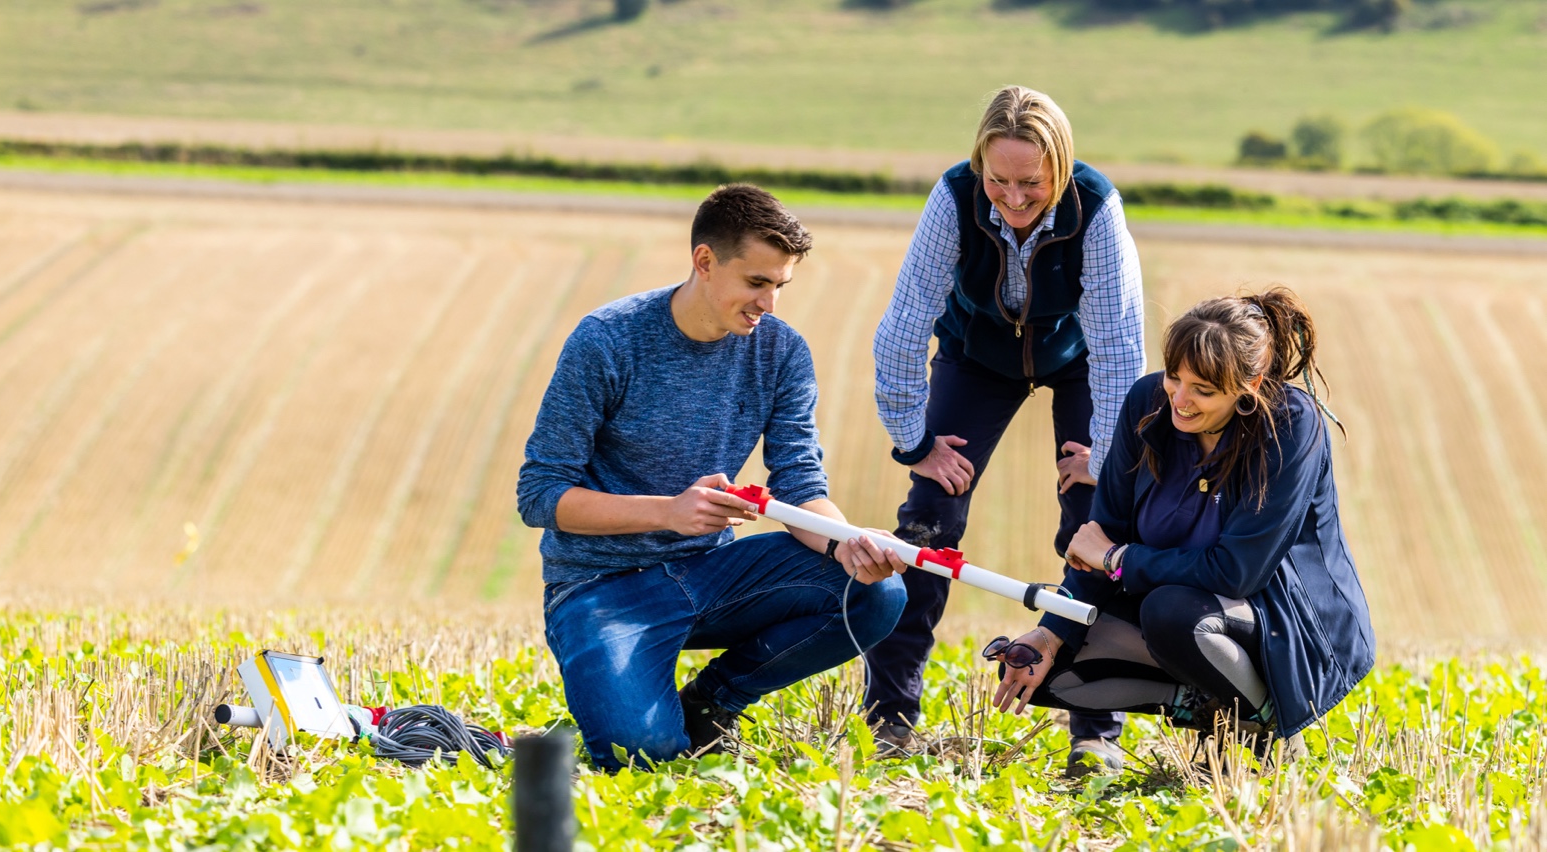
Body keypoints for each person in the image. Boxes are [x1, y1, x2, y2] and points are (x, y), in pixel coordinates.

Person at [516, 184, 909, 773]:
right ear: (705, 261)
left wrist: (848, 543)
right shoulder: (608, 340)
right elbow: (540, 494)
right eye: (756, 283)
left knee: (874, 593)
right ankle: (640, 712)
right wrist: (667, 512)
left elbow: (800, 483)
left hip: (709, 575)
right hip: (599, 589)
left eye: (780, 286)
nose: (769, 304)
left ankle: (714, 702)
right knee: (642, 756)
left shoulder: (781, 353)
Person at [866, 85, 1145, 774]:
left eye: (1032, 183)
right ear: (979, 166)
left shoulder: (1096, 208)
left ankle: (1094, 734)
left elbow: (1118, 346)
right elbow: (904, 324)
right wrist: (915, 441)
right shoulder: (954, 198)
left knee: (1093, 526)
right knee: (929, 520)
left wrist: (1107, 458)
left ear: (1061, 169)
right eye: (999, 180)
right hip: (976, 355)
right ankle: (891, 717)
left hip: (1077, 359)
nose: (1014, 199)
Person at [988, 289, 1375, 767]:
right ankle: (1212, 710)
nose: (1181, 400)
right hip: (1182, 603)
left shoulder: (1292, 425)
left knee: (1170, 611)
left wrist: (1118, 559)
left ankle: (1267, 728)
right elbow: (1103, 532)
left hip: (1280, 620)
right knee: (1049, 668)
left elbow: (1236, 572)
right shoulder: (1147, 402)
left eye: (1204, 391)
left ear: (1249, 385)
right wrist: (1050, 633)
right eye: (1175, 378)